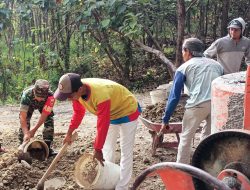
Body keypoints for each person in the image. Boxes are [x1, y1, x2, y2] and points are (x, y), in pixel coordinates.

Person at [54, 73, 141, 190]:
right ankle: (108, 180)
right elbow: (78, 113)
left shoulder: (100, 95)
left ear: (80, 89)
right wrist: (69, 133)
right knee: (107, 149)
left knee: (126, 150)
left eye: (69, 96)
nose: (68, 99)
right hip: (111, 113)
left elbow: (102, 124)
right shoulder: (76, 92)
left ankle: (122, 187)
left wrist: (97, 148)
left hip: (127, 111)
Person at [160, 38, 223, 164]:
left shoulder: (184, 68)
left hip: (197, 105)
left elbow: (174, 96)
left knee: (186, 138)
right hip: (216, 105)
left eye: (183, 50)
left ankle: (182, 168)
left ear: (187, 51)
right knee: (207, 138)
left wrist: (165, 119)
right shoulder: (217, 65)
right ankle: (203, 165)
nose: (182, 54)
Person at [19, 79, 57, 157]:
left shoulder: (51, 97)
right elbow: (23, 117)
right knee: (25, 123)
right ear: (34, 91)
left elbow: (44, 115)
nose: (40, 99)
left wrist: (34, 130)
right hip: (30, 104)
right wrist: (26, 133)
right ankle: (23, 147)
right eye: (38, 97)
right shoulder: (26, 95)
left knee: (49, 120)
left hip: (44, 106)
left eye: (42, 97)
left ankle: (47, 147)